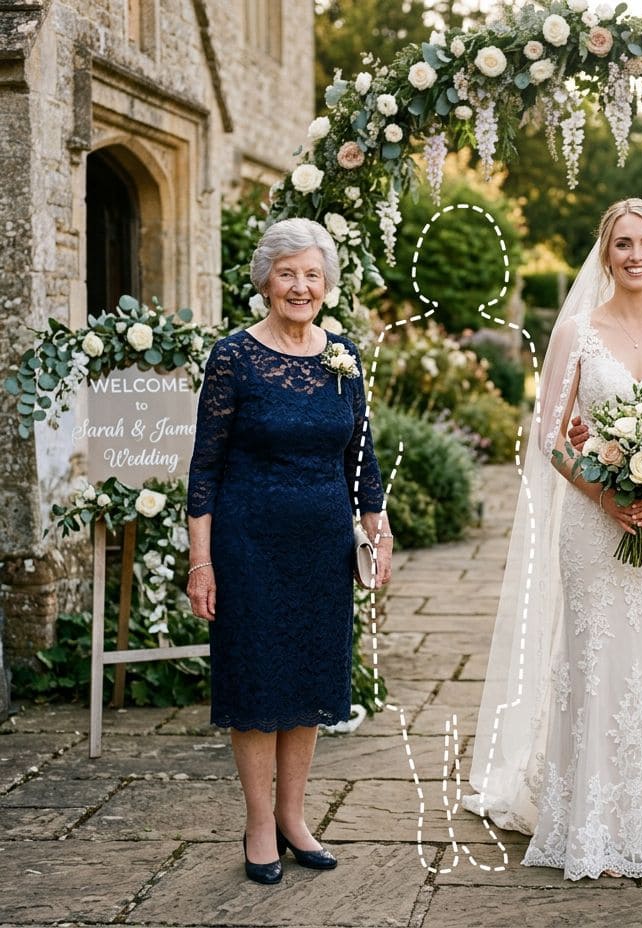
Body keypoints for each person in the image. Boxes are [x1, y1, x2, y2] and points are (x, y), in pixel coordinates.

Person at [462, 199, 642, 880]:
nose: (636, 256)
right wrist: (607, 492)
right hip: (591, 519)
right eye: (623, 244)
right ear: (605, 253)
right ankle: (592, 822)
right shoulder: (576, 331)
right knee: (595, 653)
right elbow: (550, 434)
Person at [187, 217, 389, 884]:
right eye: (287, 273)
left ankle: (295, 817)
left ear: (327, 284)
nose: (299, 286)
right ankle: (257, 825)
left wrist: (376, 532)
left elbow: (364, 459)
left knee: (306, 681)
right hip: (249, 547)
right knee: (256, 684)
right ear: (266, 282)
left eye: (311, 274)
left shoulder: (343, 356)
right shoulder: (234, 358)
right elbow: (205, 470)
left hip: (323, 550)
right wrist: (201, 560)